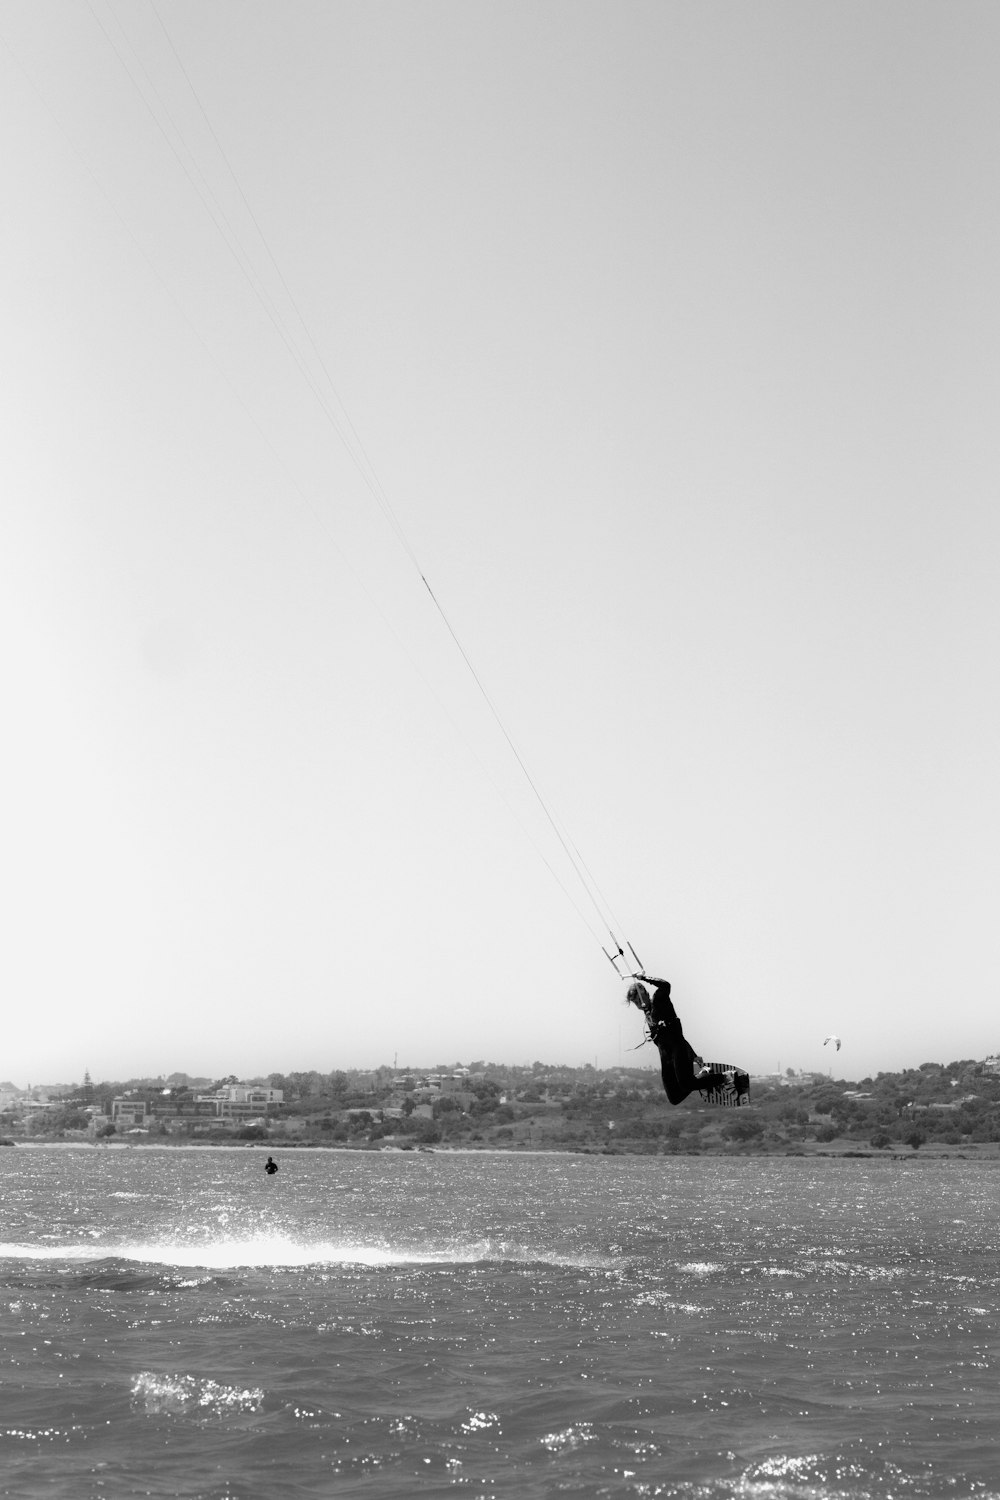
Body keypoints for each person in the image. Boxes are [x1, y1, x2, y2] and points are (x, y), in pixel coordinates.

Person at [626, 974, 749, 1107]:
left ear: (643, 992)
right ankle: (703, 1077)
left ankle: (726, 1077)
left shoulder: (659, 1000)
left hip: (678, 1050)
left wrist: (643, 978)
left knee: (687, 1084)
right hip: (666, 1057)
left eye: (638, 1000)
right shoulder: (648, 1014)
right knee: (674, 1097)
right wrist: (694, 1055)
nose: (638, 1005)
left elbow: (666, 985)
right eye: (635, 1003)